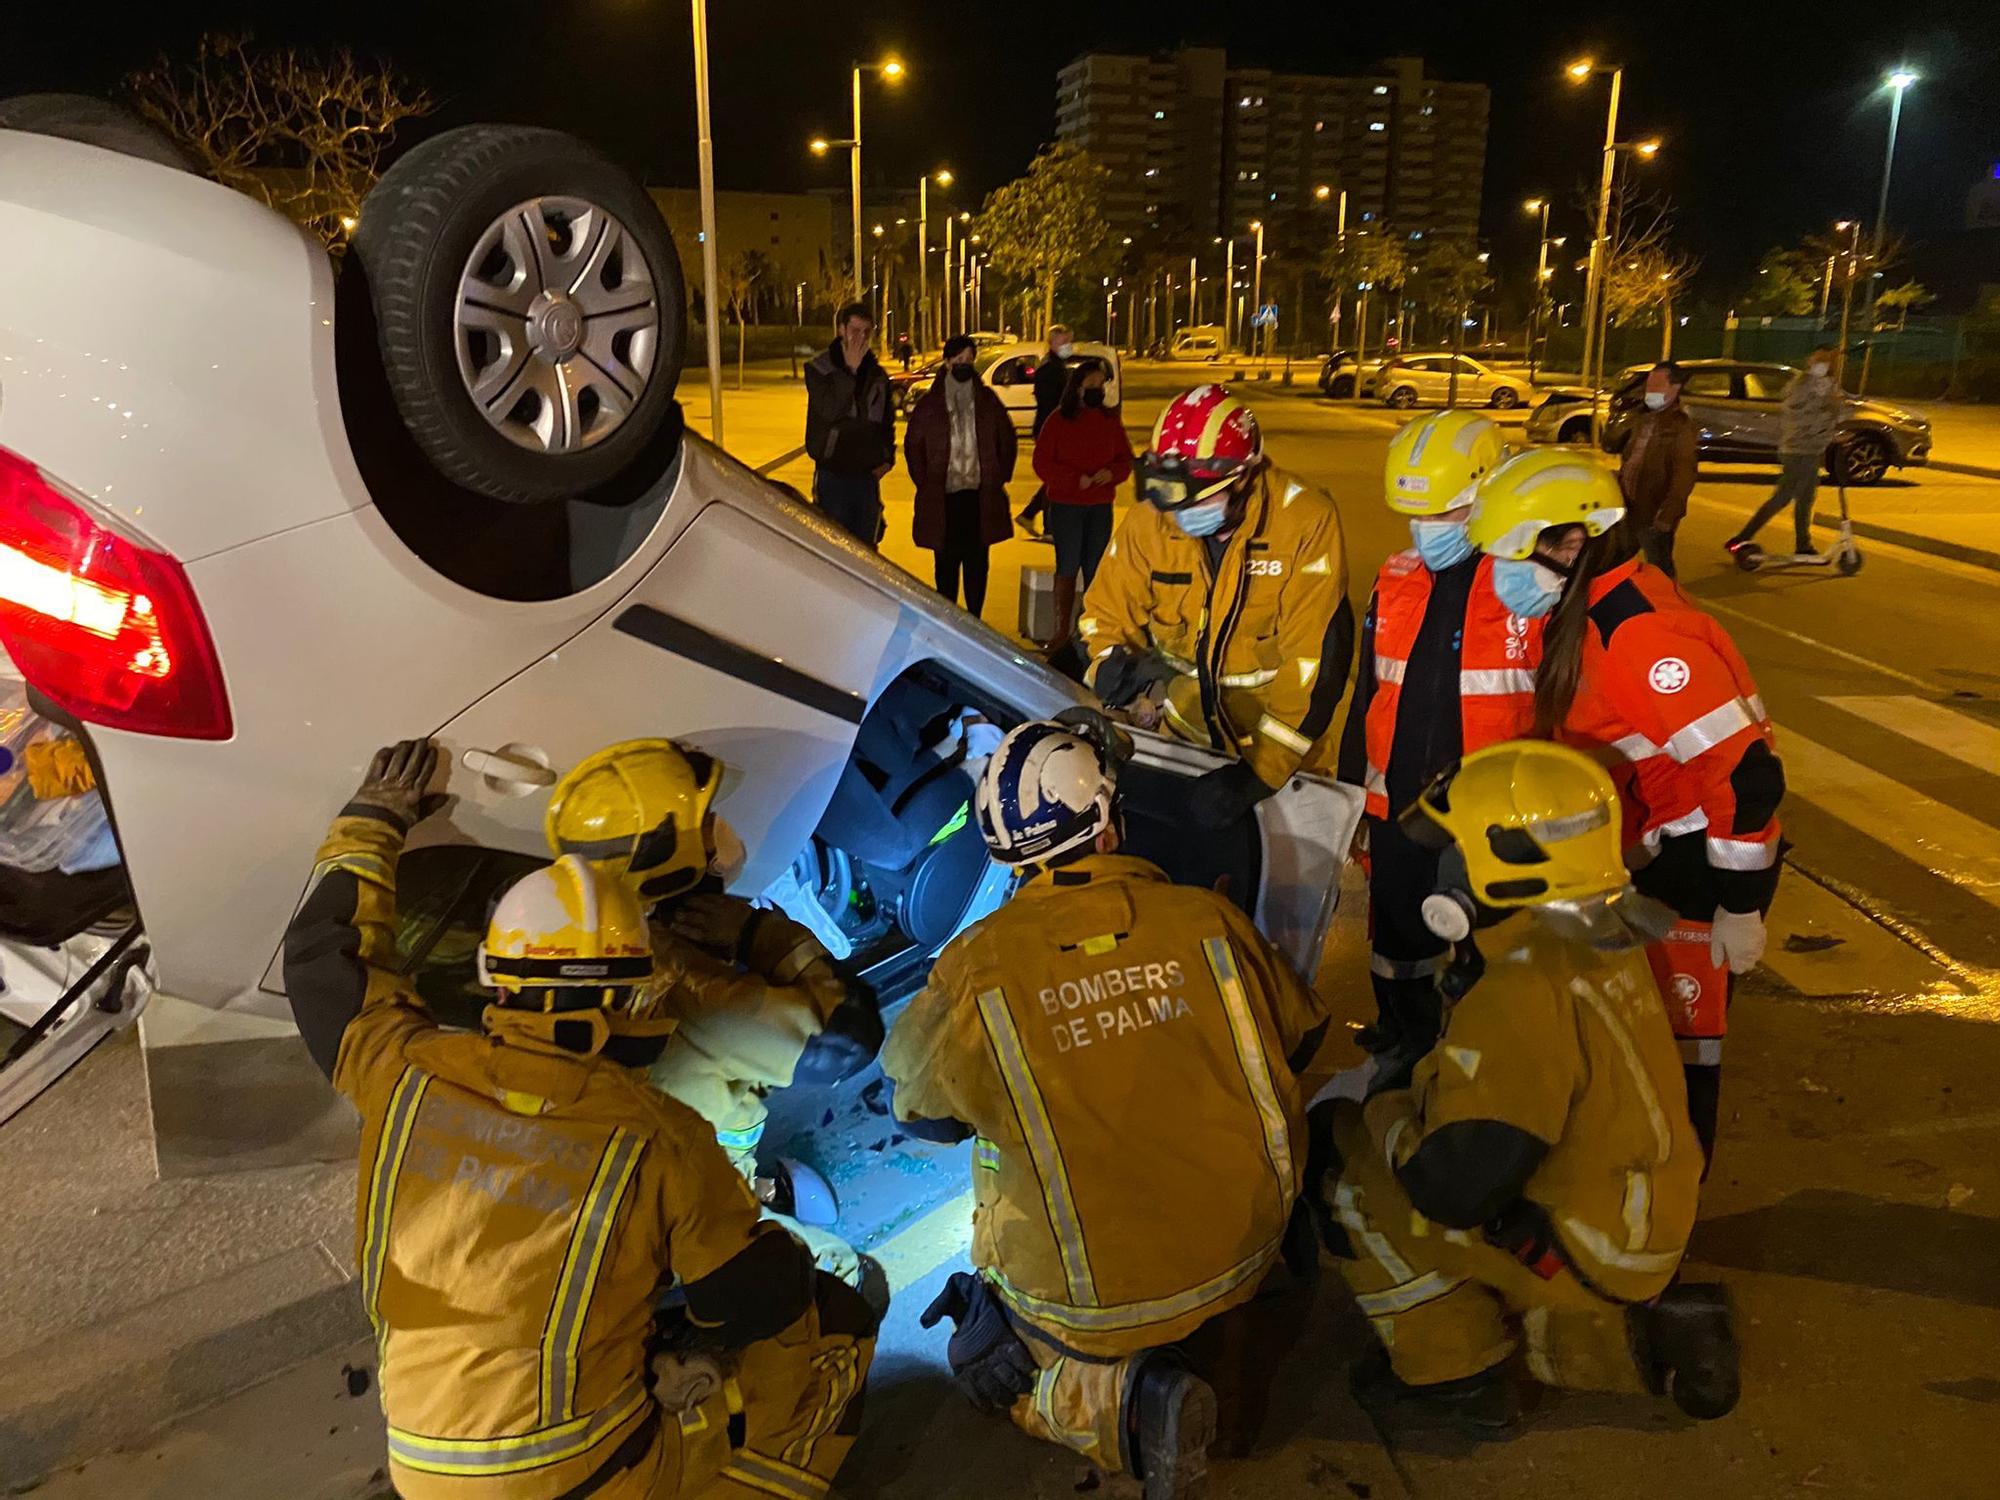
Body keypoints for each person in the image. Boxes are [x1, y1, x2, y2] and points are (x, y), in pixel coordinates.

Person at [283, 739, 875, 1500]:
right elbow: (753, 1301)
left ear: (494, 976)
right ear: (629, 990)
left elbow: (321, 957)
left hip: (422, 1467)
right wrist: (760, 935)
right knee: (835, 1321)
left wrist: (371, 820)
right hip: (586, 1475)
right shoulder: (657, 1134)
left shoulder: (406, 1069)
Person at [882, 719, 1330, 1498]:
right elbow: (1302, 1040)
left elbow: (922, 1115)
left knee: (985, 1364)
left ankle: (1121, 1404)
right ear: (1108, 823)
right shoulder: (1209, 920)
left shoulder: (976, 967)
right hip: (1253, 1248)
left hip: (1087, 1302)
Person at [1309, 740, 1738, 1432]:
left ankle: (1456, 1376)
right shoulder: (1595, 935)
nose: (1438, 869)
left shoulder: (1519, 989)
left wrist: (1384, 1108)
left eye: (1451, 851)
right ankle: (1632, 1343)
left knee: (1351, 1178)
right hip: (1637, 1213)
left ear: (1498, 864)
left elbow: (1453, 1188)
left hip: (1592, 1242)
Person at [1465, 448, 1785, 1166]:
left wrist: (1739, 901)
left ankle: (1663, 1221)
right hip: (1652, 856)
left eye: (1510, 555)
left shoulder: (1639, 635)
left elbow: (1747, 777)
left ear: (1572, 543)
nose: (1499, 575)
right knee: (1631, 1044)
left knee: (1677, 1061)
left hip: (1695, 873)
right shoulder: (1592, 608)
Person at [545, 738, 886, 1288]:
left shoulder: (577, 940)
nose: (718, 833)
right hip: (685, 1214)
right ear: (670, 859)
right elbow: (843, 1043)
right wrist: (755, 931)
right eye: (704, 825)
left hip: (616, 1189)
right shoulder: (694, 989)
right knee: (853, 1279)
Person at [1336, 409, 1553, 1075]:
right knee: (1397, 929)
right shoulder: (1396, 575)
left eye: (1446, 515)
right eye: (1418, 516)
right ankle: (1403, 1029)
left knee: (1484, 939)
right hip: (1401, 796)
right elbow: (1369, 687)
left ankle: (1476, 1058)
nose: (1428, 531)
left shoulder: (1528, 583)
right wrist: (1351, 792)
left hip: (1494, 807)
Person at [1079, 384, 1355, 830]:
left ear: (1244, 476)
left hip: (1281, 763)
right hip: (1184, 749)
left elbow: (1314, 664)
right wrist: (1112, 666)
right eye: (1176, 496)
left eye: (1200, 497)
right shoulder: (1153, 519)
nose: (1183, 512)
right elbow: (1103, 615)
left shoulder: (1304, 522)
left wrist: (1257, 778)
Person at [903, 333, 1019, 616]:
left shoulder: (988, 400)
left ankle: (975, 622)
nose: (965, 364)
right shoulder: (931, 404)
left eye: (969, 359)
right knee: (946, 566)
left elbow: (1008, 440)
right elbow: (913, 447)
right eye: (959, 359)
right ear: (946, 361)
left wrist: (998, 476)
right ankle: (949, 624)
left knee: (978, 565)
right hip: (945, 500)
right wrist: (928, 483)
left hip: (979, 498)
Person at [1032, 358, 1133, 667]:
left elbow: (1125, 460)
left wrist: (1110, 473)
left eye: (1102, 385)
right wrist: (1075, 480)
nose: (1098, 390)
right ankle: (1062, 632)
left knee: (1096, 569)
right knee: (1067, 566)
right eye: (1092, 385)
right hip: (1067, 505)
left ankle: (1090, 633)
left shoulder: (1109, 421)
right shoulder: (1058, 421)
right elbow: (1042, 463)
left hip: (1099, 505)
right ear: (1077, 388)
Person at [1727, 346, 1842, 560]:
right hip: (1799, 449)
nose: (1822, 364)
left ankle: (1803, 545)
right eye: (1819, 359)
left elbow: (1828, 413)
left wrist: (1831, 430)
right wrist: (1827, 424)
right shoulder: (1802, 385)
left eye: (1827, 360)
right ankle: (1742, 537)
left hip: (1810, 449)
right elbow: (1801, 418)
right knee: (1783, 497)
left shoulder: (1824, 385)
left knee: (1805, 498)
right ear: (1810, 361)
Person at [804, 302, 896, 548]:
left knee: (867, 549)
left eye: (866, 332)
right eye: (855, 331)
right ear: (841, 330)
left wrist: (888, 457)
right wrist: (851, 371)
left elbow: (886, 421)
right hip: (832, 476)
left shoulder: (877, 375)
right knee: (835, 548)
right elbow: (829, 410)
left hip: (866, 478)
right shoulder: (819, 370)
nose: (861, 338)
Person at [1611, 360, 1698, 577]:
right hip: (1629, 508)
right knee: (1614, 564)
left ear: (1674, 388)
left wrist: (1667, 516)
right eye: (1649, 386)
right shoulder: (1642, 419)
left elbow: (1684, 476)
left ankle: (1671, 606)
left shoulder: (1680, 427)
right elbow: (1628, 458)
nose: (1650, 391)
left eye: (1657, 386)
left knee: (1660, 570)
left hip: (1654, 514)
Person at [1015, 324, 1078, 536]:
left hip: (1053, 429)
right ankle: (1045, 524)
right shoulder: (1050, 368)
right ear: (1052, 343)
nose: (1067, 346)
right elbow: (1051, 404)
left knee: (1055, 478)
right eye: (1063, 342)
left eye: (1069, 341)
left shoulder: (1057, 366)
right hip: (1049, 430)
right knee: (1056, 478)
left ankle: (1032, 516)